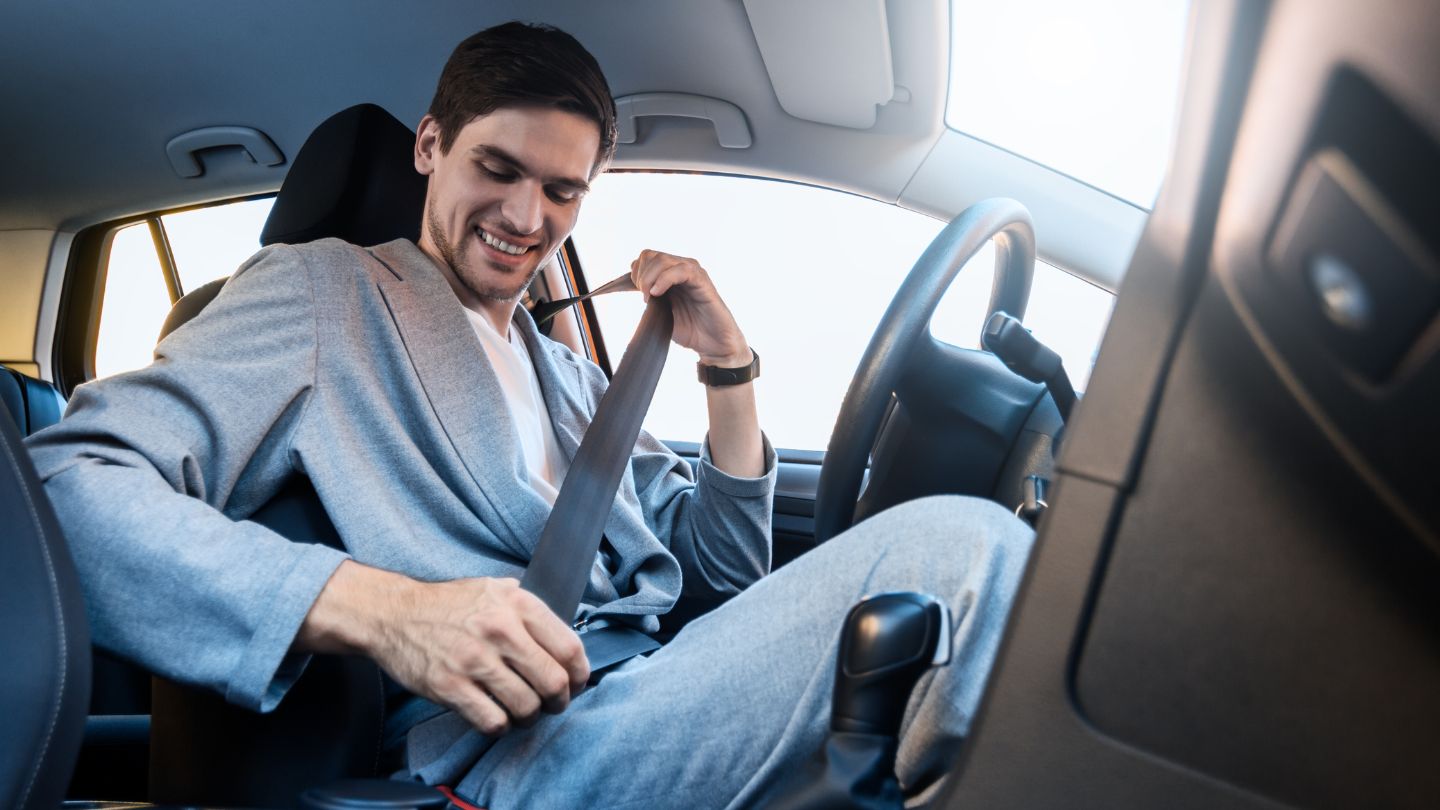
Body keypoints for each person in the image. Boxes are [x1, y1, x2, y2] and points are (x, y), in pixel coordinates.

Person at [27, 21, 1034, 809]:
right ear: (431, 147)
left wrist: (729, 373)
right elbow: (69, 486)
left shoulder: (571, 377)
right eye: (496, 169)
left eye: (561, 191)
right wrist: (388, 612)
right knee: (964, 562)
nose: (525, 218)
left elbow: (724, 578)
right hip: (509, 753)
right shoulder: (323, 296)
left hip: (648, 691)